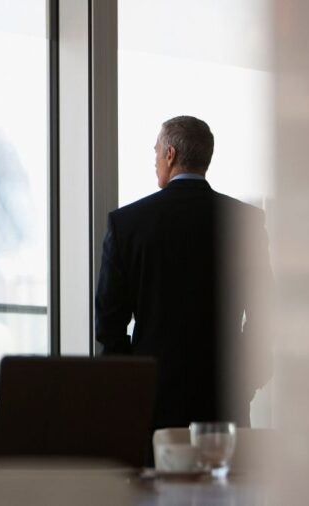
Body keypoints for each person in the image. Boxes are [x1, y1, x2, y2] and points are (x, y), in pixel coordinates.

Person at [95, 116, 271, 430]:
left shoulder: (128, 224)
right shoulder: (245, 221)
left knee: (155, 475)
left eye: (156, 152)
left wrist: (129, 381)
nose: (155, 161)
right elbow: (265, 310)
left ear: (170, 154)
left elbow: (109, 320)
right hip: (224, 388)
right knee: (224, 475)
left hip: (154, 391)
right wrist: (249, 376)